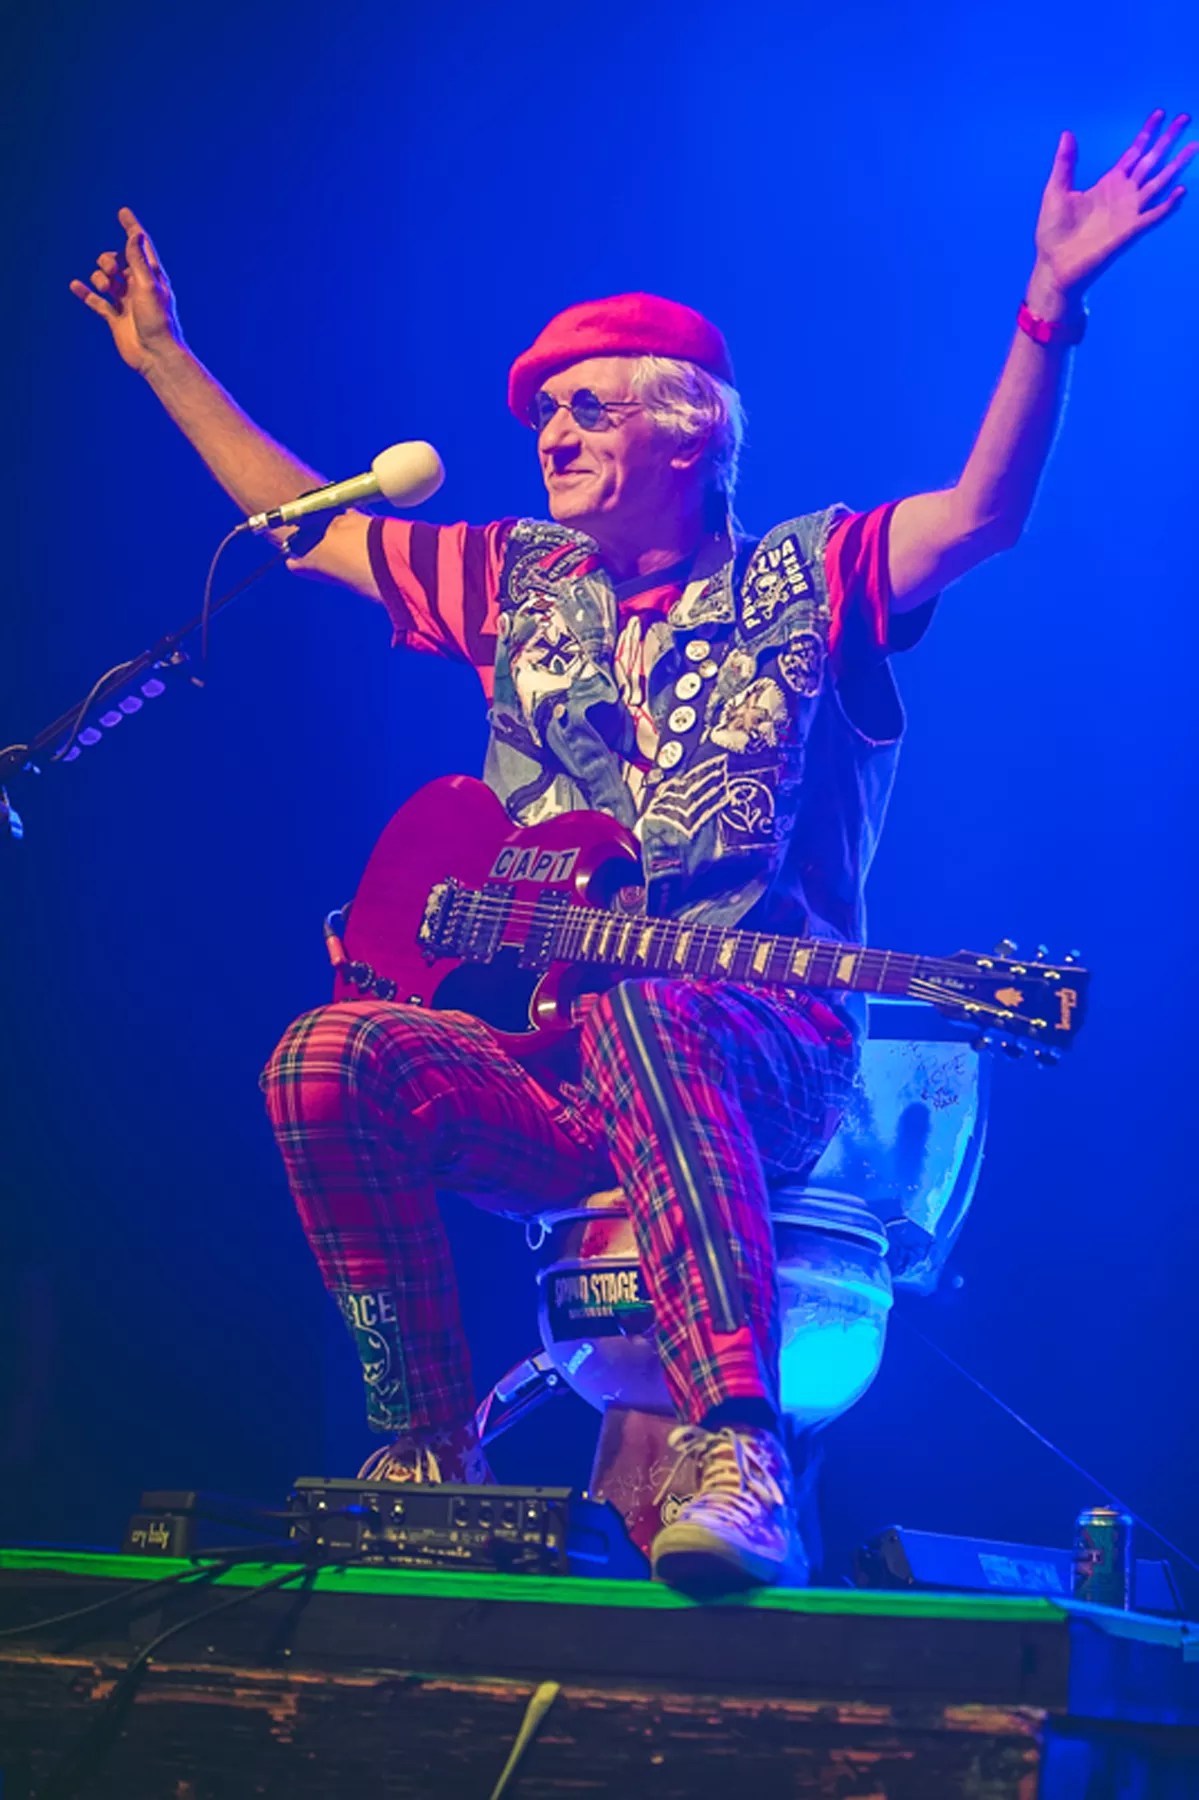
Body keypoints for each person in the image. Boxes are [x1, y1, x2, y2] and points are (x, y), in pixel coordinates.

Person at [71, 111, 1193, 1590]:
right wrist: (164, 361)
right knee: (321, 1061)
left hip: (761, 1054)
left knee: (653, 1016)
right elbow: (302, 523)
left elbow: (984, 515)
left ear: (691, 430)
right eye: (543, 414)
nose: (550, 432)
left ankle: (739, 1450)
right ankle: (424, 1450)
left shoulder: (812, 575)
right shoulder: (518, 582)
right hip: (548, 1064)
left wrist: (1050, 306)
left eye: (587, 409)